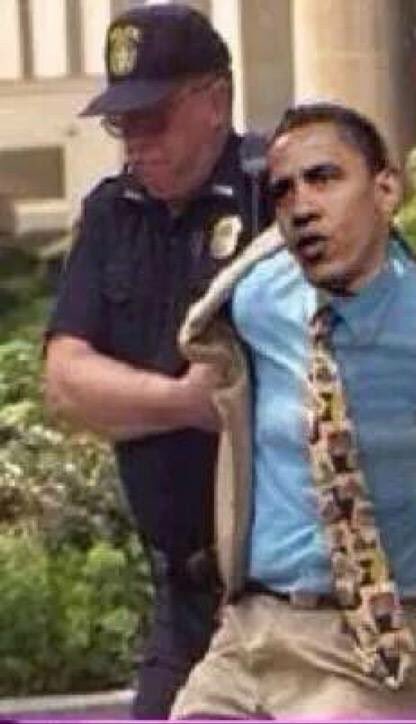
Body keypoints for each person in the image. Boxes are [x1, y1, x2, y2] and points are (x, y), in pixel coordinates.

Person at [168, 102, 416, 719]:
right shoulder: (260, 297)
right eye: (284, 190)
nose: (301, 206)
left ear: (386, 189)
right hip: (250, 635)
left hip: (380, 643)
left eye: (324, 178)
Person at [43, 5, 271, 718]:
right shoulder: (113, 214)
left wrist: (129, 401)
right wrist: (184, 404)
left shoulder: (275, 193)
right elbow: (66, 380)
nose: (137, 142)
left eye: (154, 119)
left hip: (289, 593)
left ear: (215, 101)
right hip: (184, 596)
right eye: (124, 124)